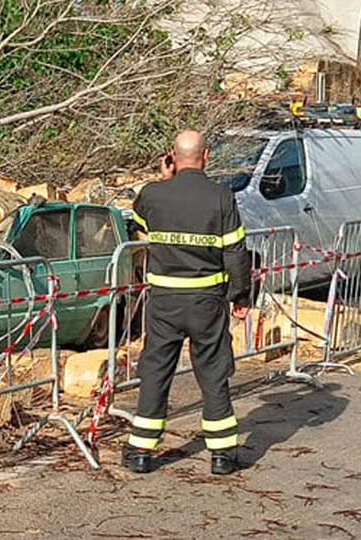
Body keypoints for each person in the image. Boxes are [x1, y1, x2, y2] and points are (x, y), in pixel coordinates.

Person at [125, 130, 252, 475]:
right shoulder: (221, 197)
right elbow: (235, 252)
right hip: (206, 301)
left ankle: (141, 451)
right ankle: (222, 455)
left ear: (172, 156)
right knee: (213, 372)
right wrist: (241, 295)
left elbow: (140, 220)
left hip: (164, 302)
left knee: (156, 371)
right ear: (206, 155)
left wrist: (166, 180)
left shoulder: (153, 194)